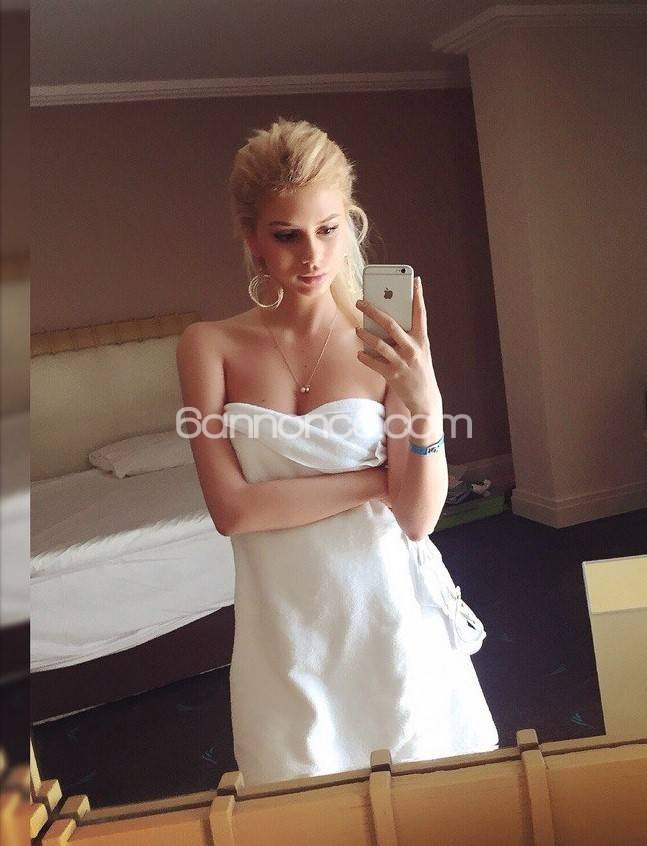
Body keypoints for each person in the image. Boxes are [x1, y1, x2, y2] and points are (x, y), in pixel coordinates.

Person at [176, 117, 499, 788]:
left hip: (387, 618)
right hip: (282, 634)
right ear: (251, 238)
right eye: (285, 235)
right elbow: (232, 512)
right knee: (301, 808)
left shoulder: (382, 342)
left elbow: (417, 518)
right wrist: (376, 480)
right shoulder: (208, 347)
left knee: (428, 805)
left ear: (350, 223)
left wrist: (425, 399)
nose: (311, 256)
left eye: (327, 229)